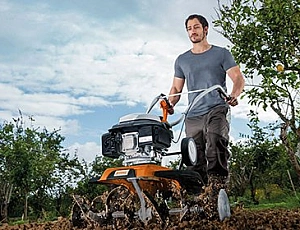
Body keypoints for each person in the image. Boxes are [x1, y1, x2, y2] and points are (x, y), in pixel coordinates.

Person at [167, 14, 245, 219]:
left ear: (205, 29)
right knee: (194, 156)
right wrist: (170, 103)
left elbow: (238, 78)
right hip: (193, 114)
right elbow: (176, 87)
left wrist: (234, 95)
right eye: (189, 29)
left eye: (196, 27)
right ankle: (199, 200)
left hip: (217, 107)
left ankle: (218, 190)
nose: (192, 31)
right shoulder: (182, 60)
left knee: (215, 143)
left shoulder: (221, 54)